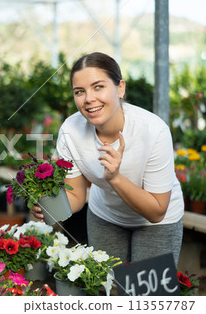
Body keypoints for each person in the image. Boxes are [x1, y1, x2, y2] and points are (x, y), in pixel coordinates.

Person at [32, 52, 183, 265]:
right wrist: (49, 206)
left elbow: (157, 211)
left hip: (156, 224)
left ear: (120, 88)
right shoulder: (70, 131)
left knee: (148, 296)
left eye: (98, 87)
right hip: (106, 217)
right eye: (79, 91)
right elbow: (75, 196)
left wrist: (115, 178)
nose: (88, 99)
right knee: (107, 290)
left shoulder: (153, 130)